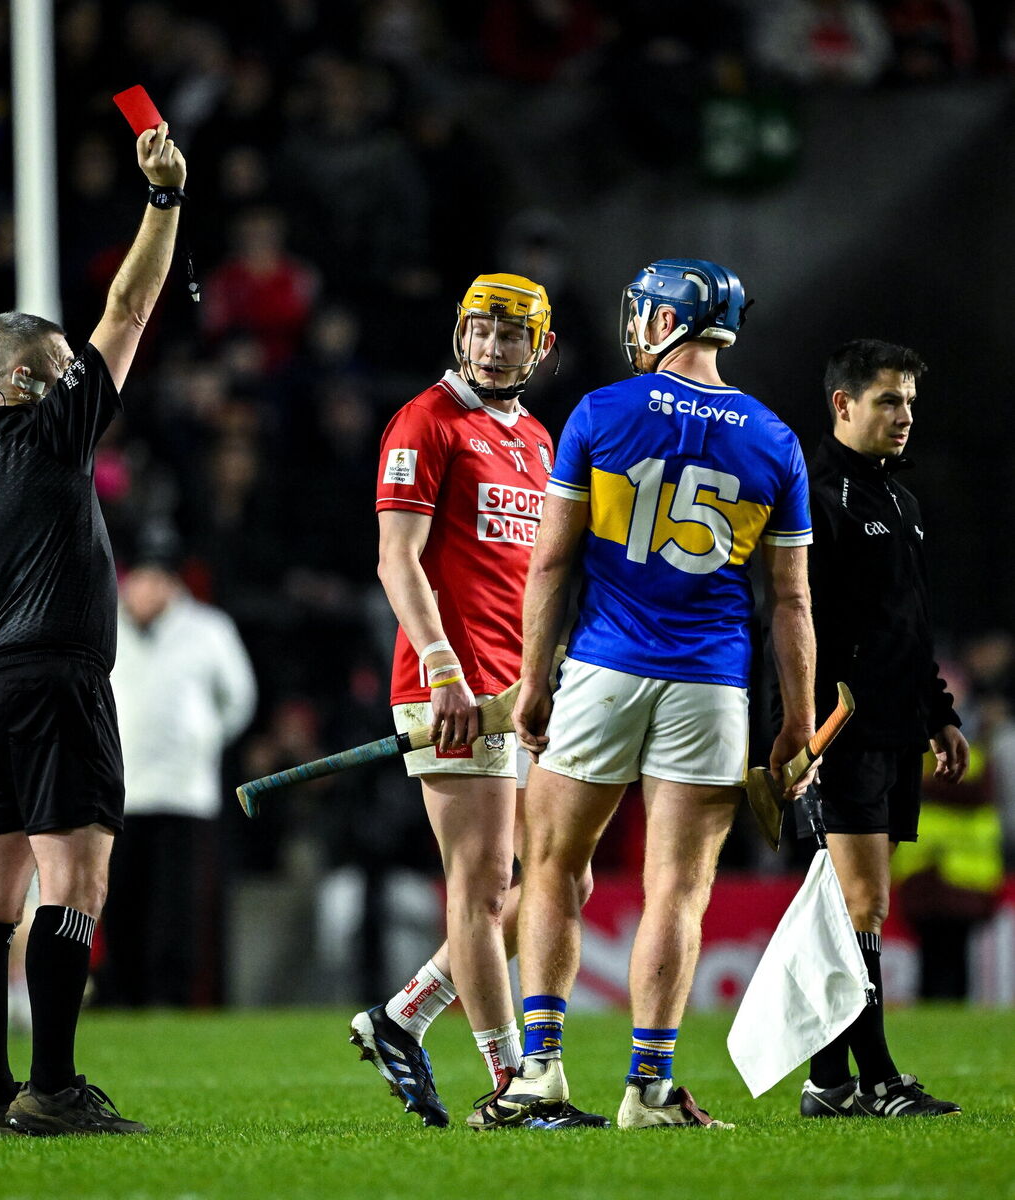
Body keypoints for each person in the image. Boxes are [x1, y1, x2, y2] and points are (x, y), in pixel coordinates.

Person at [471, 258, 818, 1131]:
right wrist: (799, 725)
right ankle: (650, 1089)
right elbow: (789, 601)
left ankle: (540, 1073)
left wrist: (535, 677)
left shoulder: (601, 411)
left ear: (666, 321)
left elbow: (550, 562)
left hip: (603, 667)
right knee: (677, 890)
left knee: (551, 867)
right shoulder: (775, 440)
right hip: (711, 682)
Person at [0, 121, 187, 1137]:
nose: (78, 377)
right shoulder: (55, 429)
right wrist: (163, 201)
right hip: (58, 682)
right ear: (24, 380)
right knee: (75, 881)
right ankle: (54, 1088)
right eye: (62, 366)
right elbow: (132, 303)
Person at [350, 273, 596, 1130]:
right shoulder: (424, 422)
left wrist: (551, 669)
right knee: (487, 886)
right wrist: (444, 668)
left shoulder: (536, 436)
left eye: (512, 336)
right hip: (450, 687)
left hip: (520, 691)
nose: (494, 348)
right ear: (460, 334)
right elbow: (396, 559)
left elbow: (539, 580)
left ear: (542, 349)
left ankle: (404, 1014)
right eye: (481, 331)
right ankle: (509, 1086)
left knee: (566, 882)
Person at [798, 339, 968, 1118]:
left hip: (899, 729)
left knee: (855, 908)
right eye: (886, 400)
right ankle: (876, 1080)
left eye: (907, 400)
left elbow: (910, 627)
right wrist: (795, 732)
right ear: (843, 404)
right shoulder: (813, 496)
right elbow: (790, 626)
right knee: (860, 904)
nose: (903, 415)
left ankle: (827, 1081)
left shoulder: (899, 503)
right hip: (842, 732)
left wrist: (938, 713)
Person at [99, 527, 257, 1007]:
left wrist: (201, 738)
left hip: (185, 794)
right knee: (120, 903)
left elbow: (240, 700)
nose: (146, 589)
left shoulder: (209, 629)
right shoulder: (105, 627)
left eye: (157, 578)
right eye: (140, 578)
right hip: (119, 791)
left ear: (172, 583)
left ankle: (172, 1000)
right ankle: (123, 997)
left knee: (177, 910)